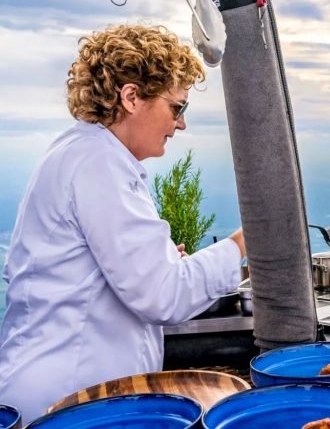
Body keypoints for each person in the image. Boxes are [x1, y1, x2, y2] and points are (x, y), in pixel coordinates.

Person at [0, 24, 246, 421]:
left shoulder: (85, 153)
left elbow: (104, 271)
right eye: (177, 107)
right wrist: (244, 241)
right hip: (65, 399)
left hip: (74, 395)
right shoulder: (98, 164)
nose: (181, 123)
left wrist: (160, 261)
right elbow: (163, 296)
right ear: (131, 97)